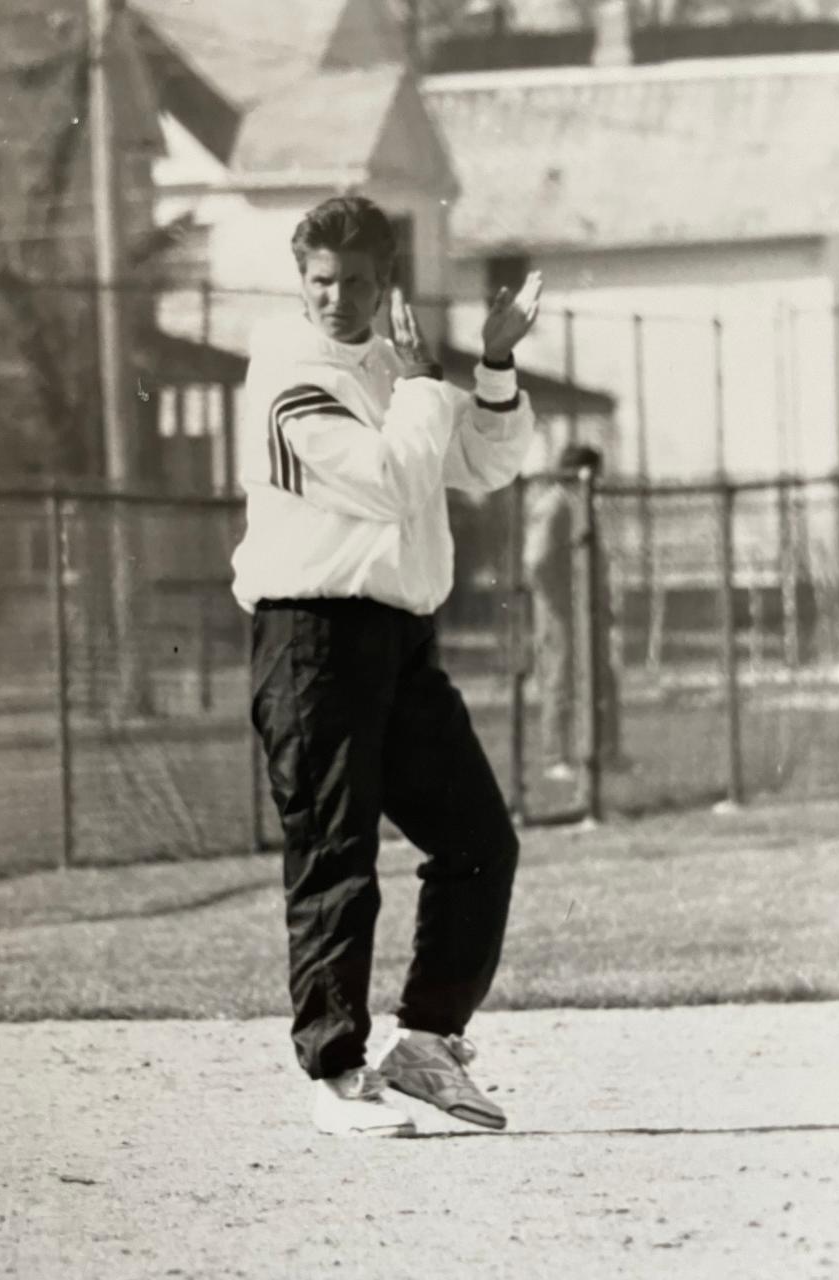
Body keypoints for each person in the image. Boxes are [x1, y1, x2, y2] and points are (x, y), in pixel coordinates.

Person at [231, 196, 542, 1137]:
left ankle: (427, 1044)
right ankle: (333, 1077)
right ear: (300, 282)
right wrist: (420, 384)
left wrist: (490, 366)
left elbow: (486, 464)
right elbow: (393, 481)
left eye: (357, 281)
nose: (336, 298)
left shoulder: (390, 362)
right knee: (339, 858)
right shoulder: (286, 374)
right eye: (320, 281)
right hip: (311, 640)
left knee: (479, 839)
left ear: (384, 280)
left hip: (399, 642)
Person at [524, 443, 621, 785]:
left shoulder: (581, 504)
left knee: (600, 676)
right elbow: (537, 561)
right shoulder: (554, 505)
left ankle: (603, 753)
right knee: (560, 678)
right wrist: (560, 602)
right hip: (562, 612)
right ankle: (556, 757)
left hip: (587, 609)